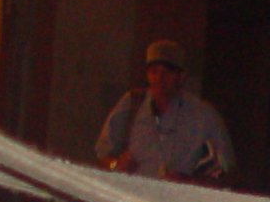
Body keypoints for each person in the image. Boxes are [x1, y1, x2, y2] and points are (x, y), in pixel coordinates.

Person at [95, 40, 234, 184]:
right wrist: (115, 165)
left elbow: (227, 173)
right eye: (154, 72)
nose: (159, 79)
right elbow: (102, 155)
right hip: (133, 200)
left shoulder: (204, 116)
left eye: (167, 72)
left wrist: (189, 181)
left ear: (181, 76)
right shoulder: (132, 104)